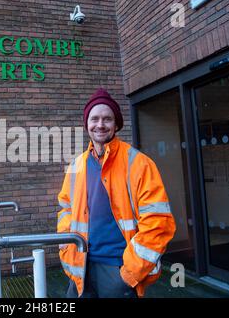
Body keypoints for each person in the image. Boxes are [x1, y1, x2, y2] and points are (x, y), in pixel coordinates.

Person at [57, 87, 176, 298]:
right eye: (94, 119)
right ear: (87, 124)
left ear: (116, 124)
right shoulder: (77, 165)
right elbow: (66, 208)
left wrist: (128, 274)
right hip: (80, 266)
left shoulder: (138, 163)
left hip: (117, 268)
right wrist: (67, 248)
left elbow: (158, 223)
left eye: (107, 119)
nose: (100, 125)